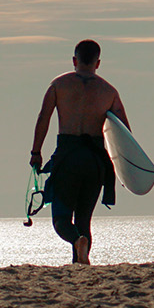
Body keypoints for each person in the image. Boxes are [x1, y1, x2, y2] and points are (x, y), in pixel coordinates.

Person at [29, 39, 125, 265]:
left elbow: (43, 118)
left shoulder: (58, 85)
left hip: (68, 157)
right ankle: (80, 262)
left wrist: (36, 152)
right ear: (98, 63)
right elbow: (124, 133)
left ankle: (76, 241)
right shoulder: (109, 92)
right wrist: (123, 169)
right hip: (94, 161)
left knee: (61, 219)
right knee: (84, 220)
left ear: (74, 60)